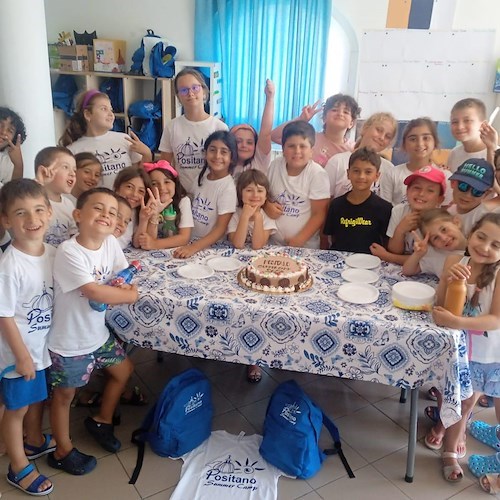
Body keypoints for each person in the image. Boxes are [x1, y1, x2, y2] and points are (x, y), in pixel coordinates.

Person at [47, 187, 137, 475]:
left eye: (112, 213)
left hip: (98, 335)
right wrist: (129, 296)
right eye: (98, 208)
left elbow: (121, 274)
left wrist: (122, 286)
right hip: (69, 341)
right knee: (64, 396)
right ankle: (62, 449)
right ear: (78, 215)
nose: (106, 215)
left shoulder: (110, 244)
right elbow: (93, 290)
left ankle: (102, 419)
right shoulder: (68, 251)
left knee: (123, 371)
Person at [431, 213, 500, 482]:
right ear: (470, 234)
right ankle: (448, 441)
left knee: (482, 402)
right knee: (456, 398)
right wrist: (449, 281)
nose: (484, 247)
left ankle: (460, 445)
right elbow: (439, 301)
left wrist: (457, 321)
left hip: (490, 355)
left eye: (496, 245)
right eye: (481, 237)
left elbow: (495, 319)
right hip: (459, 351)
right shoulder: (454, 261)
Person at [0, 179, 56, 496]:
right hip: (17, 353)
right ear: (7, 220)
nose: (31, 220)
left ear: (49, 213)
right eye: (20, 213)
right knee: (15, 409)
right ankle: (18, 467)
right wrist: (21, 356)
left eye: (37, 210)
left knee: (34, 400)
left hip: (40, 348)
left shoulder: (52, 252)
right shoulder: (9, 266)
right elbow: (3, 314)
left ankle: (33, 442)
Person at [60, 90, 152, 189]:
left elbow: (138, 175)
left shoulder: (124, 139)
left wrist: (147, 153)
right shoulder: (73, 150)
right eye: (104, 109)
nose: (111, 114)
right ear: (87, 114)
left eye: (111, 110)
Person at [159, 68, 229, 194]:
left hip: (212, 195)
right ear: (178, 96)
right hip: (183, 194)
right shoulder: (172, 127)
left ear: (204, 91)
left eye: (195, 88)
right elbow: (165, 166)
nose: (190, 93)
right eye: (184, 90)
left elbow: (226, 168)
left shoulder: (219, 127)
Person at [173, 131, 237, 258]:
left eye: (224, 152)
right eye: (212, 150)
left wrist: (194, 248)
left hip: (210, 247)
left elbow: (220, 229)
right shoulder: (201, 177)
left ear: (232, 158)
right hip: (191, 239)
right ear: (205, 153)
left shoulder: (227, 188)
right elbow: (190, 199)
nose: (217, 156)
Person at [268, 121, 330, 249]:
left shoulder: (317, 174)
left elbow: (319, 213)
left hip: (305, 247)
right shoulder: (274, 166)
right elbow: (265, 196)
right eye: (291, 146)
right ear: (283, 149)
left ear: (312, 151)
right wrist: (267, 205)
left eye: (303, 146)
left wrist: (298, 240)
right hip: (272, 244)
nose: (297, 151)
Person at [323, 147, 392, 253]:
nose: (361, 176)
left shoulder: (384, 208)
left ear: (377, 176)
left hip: (370, 262)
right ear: (348, 173)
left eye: (368, 172)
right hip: (339, 262)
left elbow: (386, 242)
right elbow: (332, 236)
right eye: (356, 171)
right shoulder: (336, 205)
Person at [379, 117, 452, 207]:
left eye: (426, 138)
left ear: (435, 142)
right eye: (413, 139)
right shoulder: (391, 174)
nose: (420, 144)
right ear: (404, 144)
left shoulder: (445, 176)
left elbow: (446, 213)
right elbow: (384, 210)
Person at [271, 94, 359, 167]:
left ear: (351, 123)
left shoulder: (354, 149)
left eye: (346, 112)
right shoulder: (310, 138)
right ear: (324, 118)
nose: (340, 114)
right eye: (334, 110)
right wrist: (301, 119)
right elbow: (274, 136)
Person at [324, 112, 398, 199]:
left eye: (387, 136)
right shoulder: (337, 161)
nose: (382, 137)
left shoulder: (389, 169)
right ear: (365, 128)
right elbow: (324, 201)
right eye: (379, 130)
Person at [386, 165, 446, 255]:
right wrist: (400, 230)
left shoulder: (441, 221)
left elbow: (423, 262)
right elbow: (394, 250)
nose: (421, 194)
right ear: (407, 191)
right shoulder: (398, 211)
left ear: (440, 199)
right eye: (417, 187)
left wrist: (385, 256)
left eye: (430, 190)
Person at [137, 160, 194, 250]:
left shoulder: (183, 201)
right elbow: (148, 239)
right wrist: (154, 215)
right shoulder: (147, 204)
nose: (162, 188)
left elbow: (184, 237)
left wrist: (155, 244)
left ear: (175, 183)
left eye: (167, 182)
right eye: (154, 184)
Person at [34, 146, 78, 247]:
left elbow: (74, 236)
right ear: (44, 171)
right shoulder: (32, 198)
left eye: (74, 170)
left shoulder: (68, 204)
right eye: (65, 167)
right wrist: (40, 182)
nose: (72, 174)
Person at [402, 208, 467, 277]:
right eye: (435, 238)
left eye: (444, 230)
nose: (444, 238)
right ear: (433, 245)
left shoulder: (475, 249)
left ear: (456, 222)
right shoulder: (435, 255)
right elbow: (407, 271)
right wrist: (417, 254)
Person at [231, 79, 275, 180]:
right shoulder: (223, 165)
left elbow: (266, 133)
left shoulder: (258, 162)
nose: (244, 145)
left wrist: (270, 99)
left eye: (250, 142)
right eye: (238, 141)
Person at [227, 169, 276, 251]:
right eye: (249, 190)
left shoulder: (267, 217)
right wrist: (245, 216)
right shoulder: (234, 214)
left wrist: (258, 216)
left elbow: (257, 246)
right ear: (240, 193)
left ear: (266, 195)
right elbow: (237, 244)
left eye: (260, 191)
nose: (255, 195)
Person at [447, 98, 497, 173]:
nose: (460, 127)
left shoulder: (495, 153)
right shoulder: (454, 153)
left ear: (483, 125)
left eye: (467, 121)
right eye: (455, 122)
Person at [448, 158, 496, 236]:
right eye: (463, 186)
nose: (468, 195)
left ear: (486, 194)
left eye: (477, 191)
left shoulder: (484, 218)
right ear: (453, 183)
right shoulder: (449, 211)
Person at [112, 166, 150, 249]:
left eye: (141, 191)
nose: (134, 194)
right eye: (129, 187)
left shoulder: (136, 212)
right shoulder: (108, 208)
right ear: (118, 187)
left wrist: (143, 219)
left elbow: (137, 244)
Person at [0, 106, 26, 185]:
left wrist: (18, 165)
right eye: (0, 125)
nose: (3, 132)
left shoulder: (7, 163)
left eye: (10, 130)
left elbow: (14, 194)